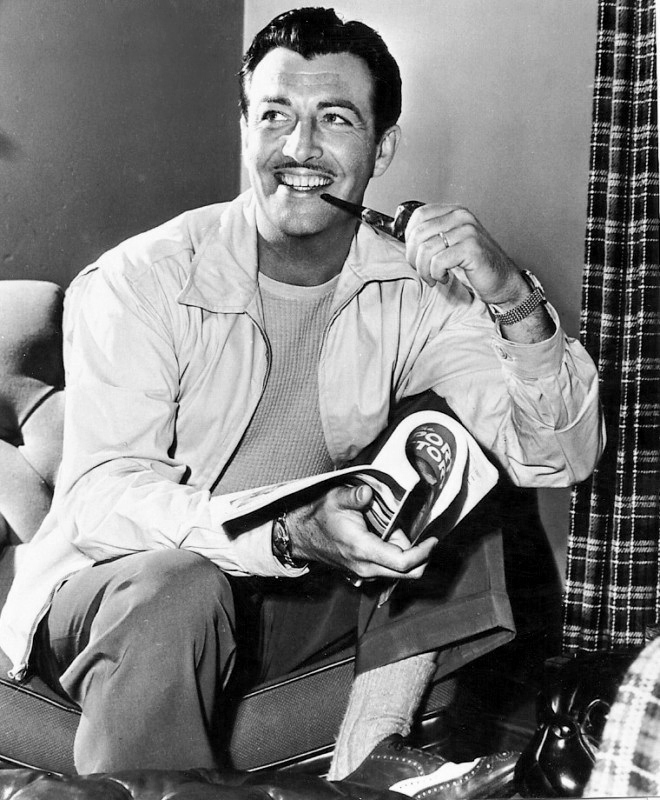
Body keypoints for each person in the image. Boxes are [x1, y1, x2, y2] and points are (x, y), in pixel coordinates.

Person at [0, 6, 605, 796]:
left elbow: (558, 455)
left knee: (462, 472)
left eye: (336, 119)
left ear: (381, 148)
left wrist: (509, 295)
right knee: (182, 586)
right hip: (118, 589)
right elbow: (103, 504)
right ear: (245, 129)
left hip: (280, 592)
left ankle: (368, 761)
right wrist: (287, 534)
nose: (300, 148)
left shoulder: (412, 288)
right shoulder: (140, 281)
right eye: (276, 115)